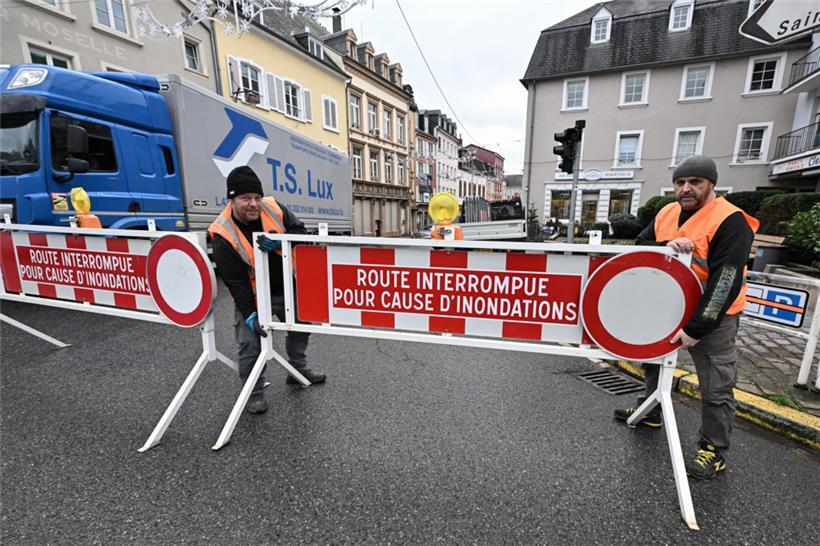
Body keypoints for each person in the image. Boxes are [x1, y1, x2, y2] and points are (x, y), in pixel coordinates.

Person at [614, 155, 758, 480]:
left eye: (695, 182)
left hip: (713, 316)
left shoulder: (730, 220)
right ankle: (650, 410)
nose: (686, 189)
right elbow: (641, 244)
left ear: (711, 184)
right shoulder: (667, 212)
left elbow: (725, 280)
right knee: (653, 361)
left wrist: (697, 328)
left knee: (716, 383)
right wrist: (667, 244)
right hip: (667, 307)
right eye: (680, 183)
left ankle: (713, 449)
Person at [209, 166, 325, 415]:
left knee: (301, 328)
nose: (254, 204)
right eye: (245, 198)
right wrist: (249, 314)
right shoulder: (223, 234)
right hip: (255, 296)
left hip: (288, 287)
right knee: (249, 344)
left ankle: (297, 370)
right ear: (231, 200)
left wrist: (281, 239)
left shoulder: (273, 207)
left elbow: (301, 232)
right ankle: (254, 392)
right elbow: (235, 281)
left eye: (257, 197)